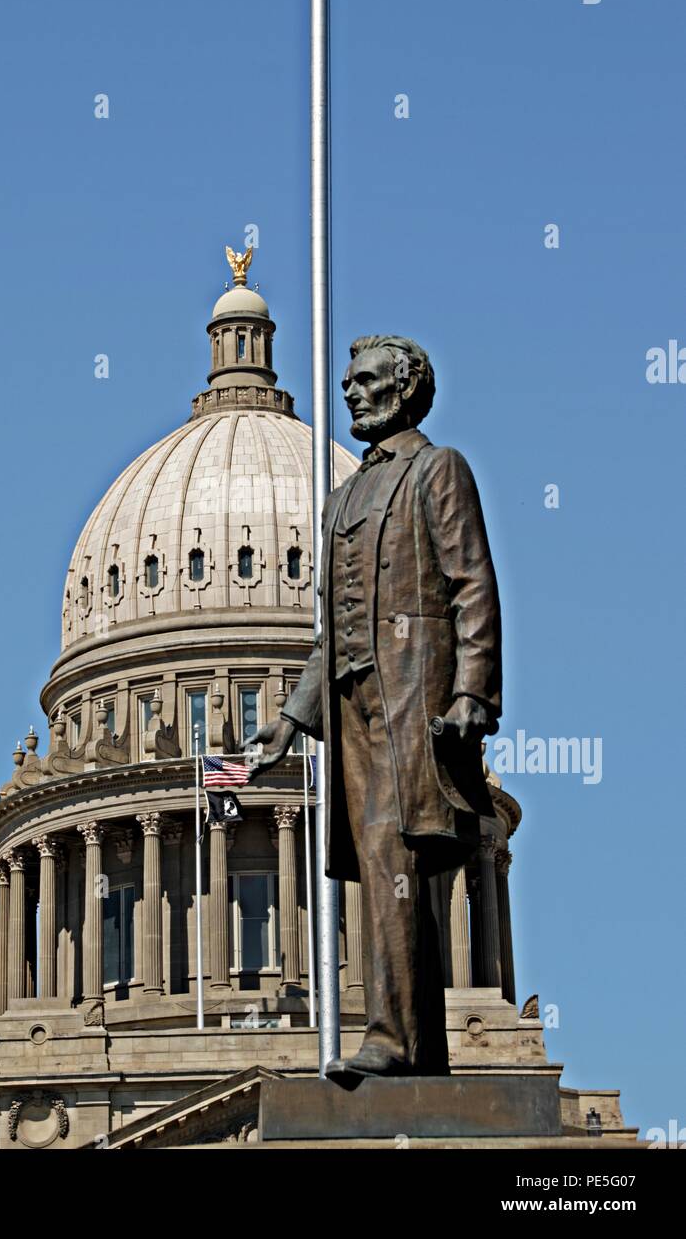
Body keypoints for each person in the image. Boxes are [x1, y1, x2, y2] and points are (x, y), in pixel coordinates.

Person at [244, 335, 502, 1078]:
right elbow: (333, 627)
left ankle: (394, 1037)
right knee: (380, 860)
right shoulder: (341, 497)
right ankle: (412, 1047)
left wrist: (471, 693)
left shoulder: (437, 469)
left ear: (405, 387)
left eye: (363, 382)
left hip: (416, 692)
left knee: (399, 852)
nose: (350, 393)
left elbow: (471, 586)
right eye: (348, 382)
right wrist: (293, 717)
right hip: (351, 703)